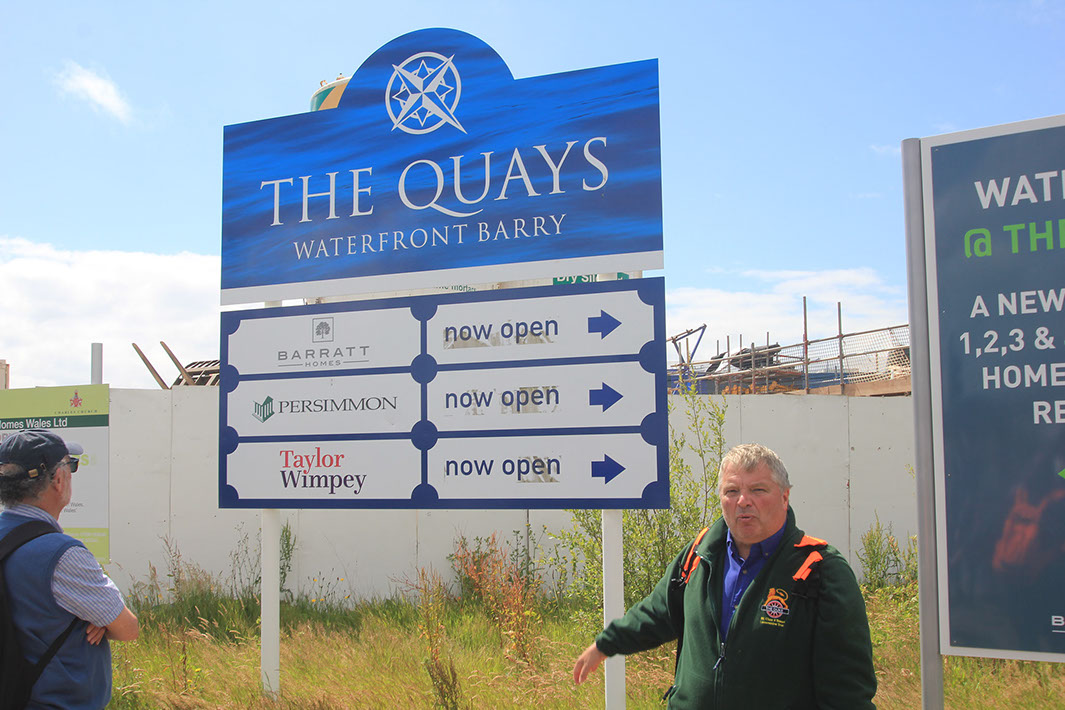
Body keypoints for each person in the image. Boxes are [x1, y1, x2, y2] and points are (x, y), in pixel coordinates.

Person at [573, 443, 876, 709]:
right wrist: (606, 644)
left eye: (758, 490)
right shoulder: (700, 554)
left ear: (785, 497)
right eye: (732, 491)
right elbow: (659, 612)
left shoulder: (819, 570)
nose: (743, 501)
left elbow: (847, 687)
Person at [0, 429, 138, 709]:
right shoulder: (62, 554)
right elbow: (128, 628)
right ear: (59, 480)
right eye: (71, 465)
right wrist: (100, 619)